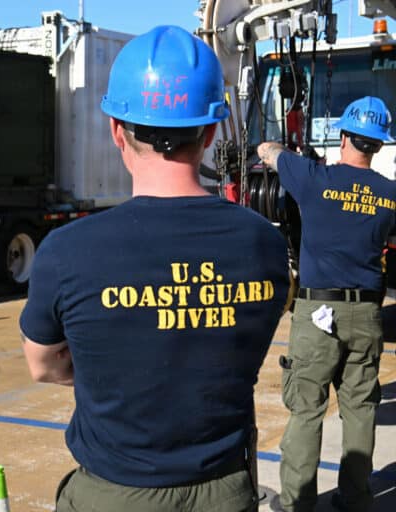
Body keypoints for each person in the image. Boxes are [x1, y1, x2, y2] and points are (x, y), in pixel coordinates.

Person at [19, 25, 290, 512]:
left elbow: (43, 366)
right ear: (209, 133)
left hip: (114, 492)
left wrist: (115, 373)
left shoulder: (66, 251)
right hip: (224, 490)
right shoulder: (264, 244)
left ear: (117, 130)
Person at [258, 95, 396, 512]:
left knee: (307, 408)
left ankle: (298, 502)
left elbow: (268, 152)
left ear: (344, 137)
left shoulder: (314, 178)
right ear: (378, 144)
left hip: (318, 316)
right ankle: (355, 498)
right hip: (367, 314)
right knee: (359, 409)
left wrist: (289, 151)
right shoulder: (390, 195)